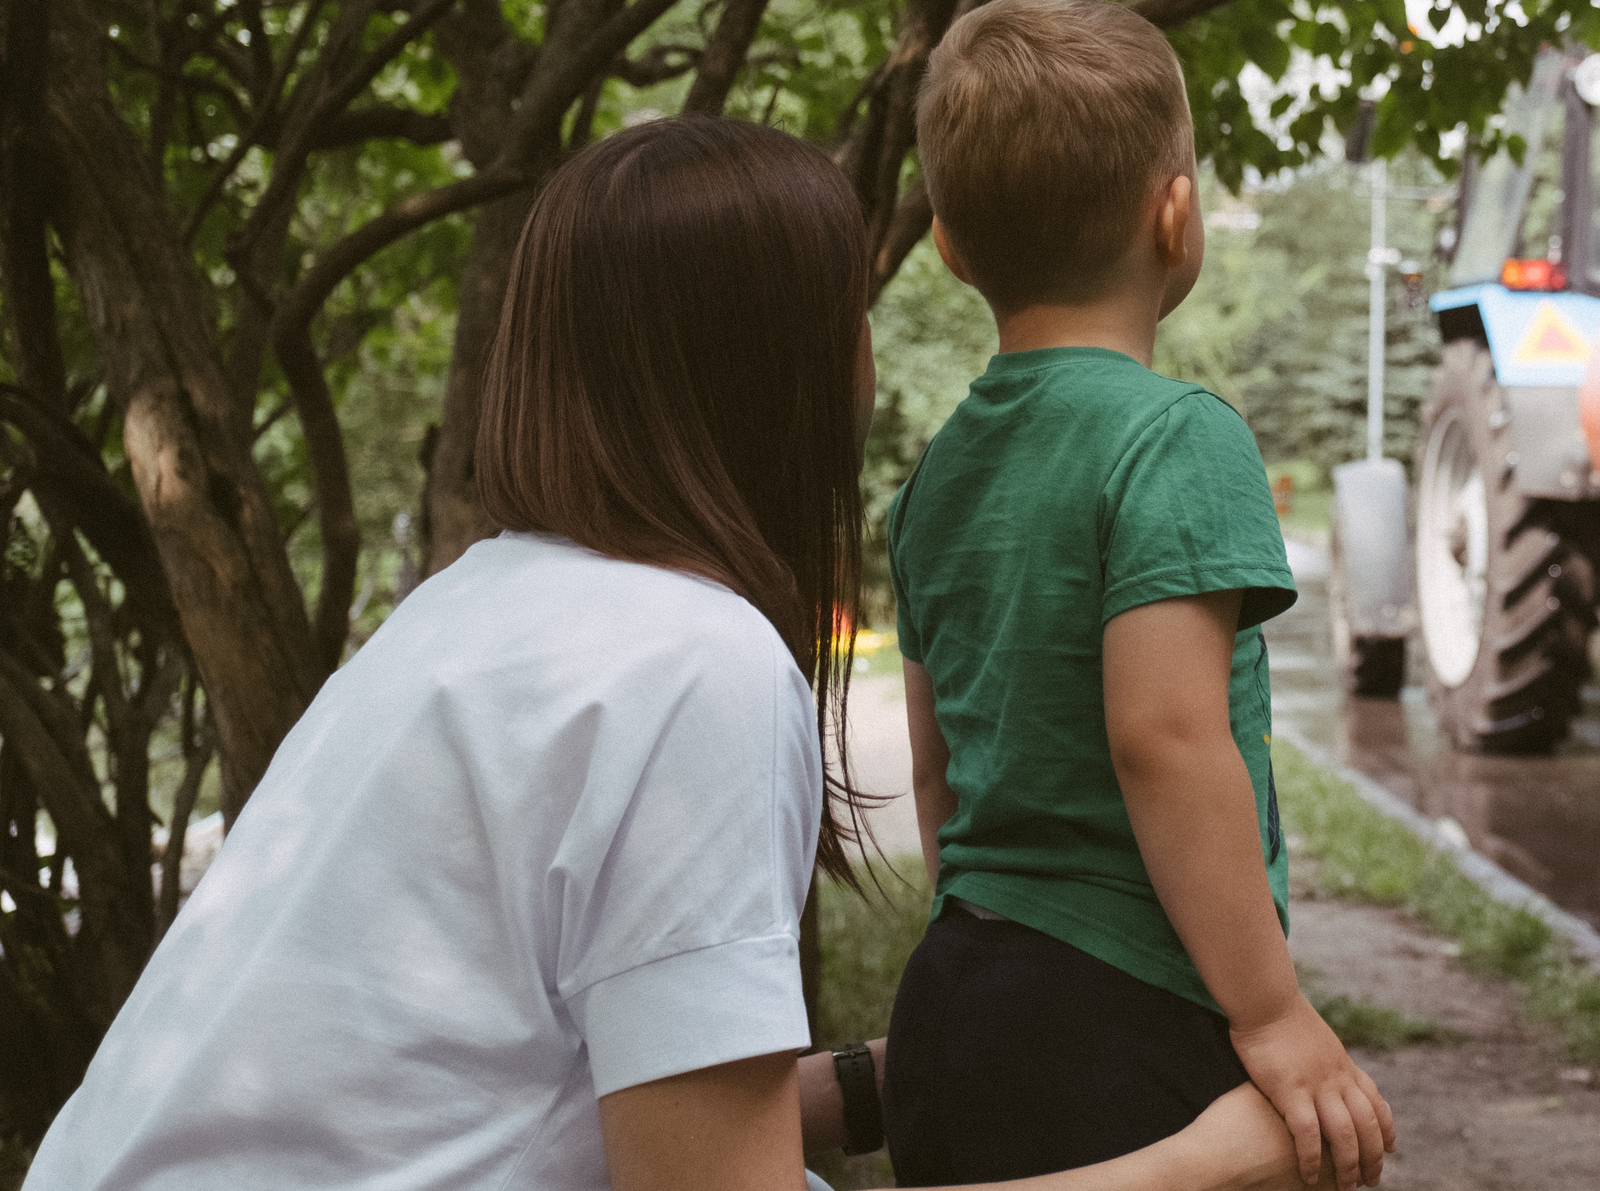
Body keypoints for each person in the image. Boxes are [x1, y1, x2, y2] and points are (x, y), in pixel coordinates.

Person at [23, 117, 1304, 1191]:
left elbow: (535, 1094)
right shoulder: (693, 666)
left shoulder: (476, 607)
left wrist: (869, 1090)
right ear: (784, 373)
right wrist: (1209, 1159)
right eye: (847, 316)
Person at [885, 0, 1394, 1191]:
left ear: (950, 248)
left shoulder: (938, 474)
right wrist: (1270, 1015)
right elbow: (1166, 737)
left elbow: (934, 765)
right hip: (1122, 1010)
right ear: (1177, 217)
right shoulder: (1177, 438)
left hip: (958, 996)